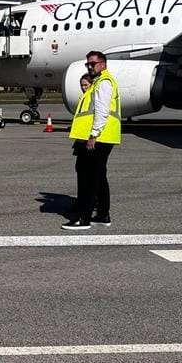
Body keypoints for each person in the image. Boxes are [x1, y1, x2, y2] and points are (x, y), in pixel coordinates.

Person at [63, 51, 120, 230]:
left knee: (88, 178)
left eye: (93, 64)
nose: (90, 67)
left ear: (103, 64)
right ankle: (103, 214)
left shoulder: (103, 83)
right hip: (104, 136)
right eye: (88, 64)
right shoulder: (99, 82)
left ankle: (83, 218)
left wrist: (93, 135)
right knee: (98, 176)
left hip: (98, 137)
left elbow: (102, 111)